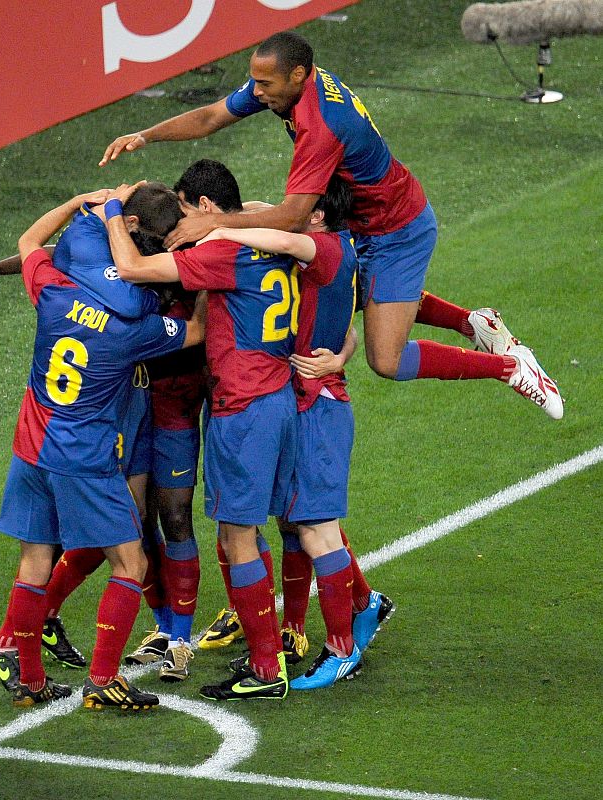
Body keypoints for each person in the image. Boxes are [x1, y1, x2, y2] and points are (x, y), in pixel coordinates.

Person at [100, 31, 563, 420]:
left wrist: (214, 224)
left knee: (387, 358)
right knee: (342, 286)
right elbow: (211, 116)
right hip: (355, 218)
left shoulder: (321, 125)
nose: (256, 91)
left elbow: (294, 216)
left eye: (265, 83)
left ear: (298, 75)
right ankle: (471, 320)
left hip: (396, 229)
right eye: (255, 81)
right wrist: (146, 134)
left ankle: (509, 368)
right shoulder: (288, 84)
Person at [0, 188, 206, 710]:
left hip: (30, 447)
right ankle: (104, 679)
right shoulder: (133, 328)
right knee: (130, 564)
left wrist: (78, 201)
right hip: (83, 458)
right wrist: (206, 280)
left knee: (35, 561)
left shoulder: (54, 291)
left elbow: (30, 240)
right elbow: (195, 330)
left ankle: (30, 680)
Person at [101, 165, 298, 701]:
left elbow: (133, 267)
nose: (182, 223)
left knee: (236, 536)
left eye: (188, 212)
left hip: (240, 405)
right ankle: (271, 644)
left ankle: (265, 666)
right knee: (271, 525)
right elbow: (268, 214)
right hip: (277, 397)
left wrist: (114, 211)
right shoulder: (275, 239)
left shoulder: (218, 252)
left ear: (204, 207)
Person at [207, 175, 394, 688]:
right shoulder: (341, 252)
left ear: (317, 216)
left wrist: (219, 227)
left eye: (302, 204)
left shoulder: (324, 249)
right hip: (309, 396)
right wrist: (340, 354)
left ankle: (341, 650)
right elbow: (350, 329)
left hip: (318, 407)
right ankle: (361, 605)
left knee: (315, 529)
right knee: (300, 522)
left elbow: (285, 237)